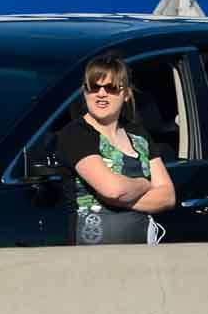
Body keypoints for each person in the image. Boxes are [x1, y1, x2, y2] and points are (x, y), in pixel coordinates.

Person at [58, 55, 173, 245]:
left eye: (111, 88)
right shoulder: (75, 134)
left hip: (141, 255)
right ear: (85, 92)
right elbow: (113, 190)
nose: (101, 94)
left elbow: (167, 196)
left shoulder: (138, 134)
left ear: (126, 93)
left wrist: (123, 198)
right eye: (93, 87)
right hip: (92, 255)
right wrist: (145, 184)